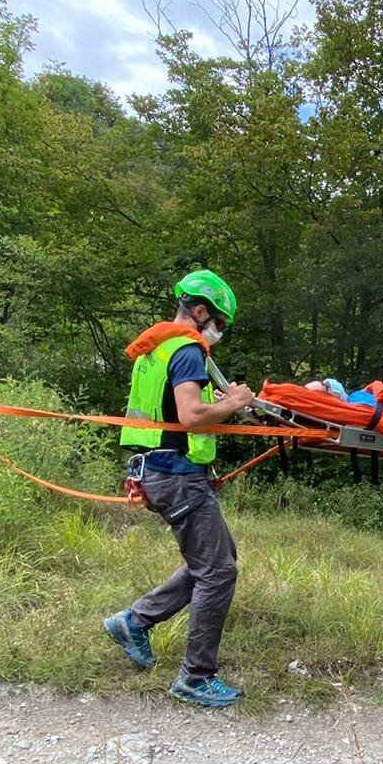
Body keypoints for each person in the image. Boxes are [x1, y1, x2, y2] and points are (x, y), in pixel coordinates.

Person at [103, 270, 255, 708]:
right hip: (175, 473)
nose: (219, 331)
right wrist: (233, 402)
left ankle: (133, 622)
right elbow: (189, 415)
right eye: (220, 323)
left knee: (218, 558)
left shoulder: (153, 350)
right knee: (218, 571)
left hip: (157, 467)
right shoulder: (187, 348)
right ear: (202, 311)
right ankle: (195, 677)